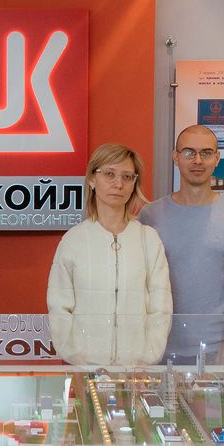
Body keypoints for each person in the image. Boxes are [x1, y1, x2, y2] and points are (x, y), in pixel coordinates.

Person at [47, 143, 172, 366]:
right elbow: (59, 306)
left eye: (127, 177)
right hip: (85, 369)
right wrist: (76, 357)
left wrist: (148, 357)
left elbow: (160, 306)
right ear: (92, 179)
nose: (118, 184)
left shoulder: (148, 239)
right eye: (109, 174)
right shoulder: (73, 240)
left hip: (137, 371)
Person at [139, 124, 224, 362]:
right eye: (189, 152)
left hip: (216, 351)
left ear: (217, 159)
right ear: (176, 157)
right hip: (158, 349)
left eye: (206, 153)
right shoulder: (150, 215)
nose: (198, 160)